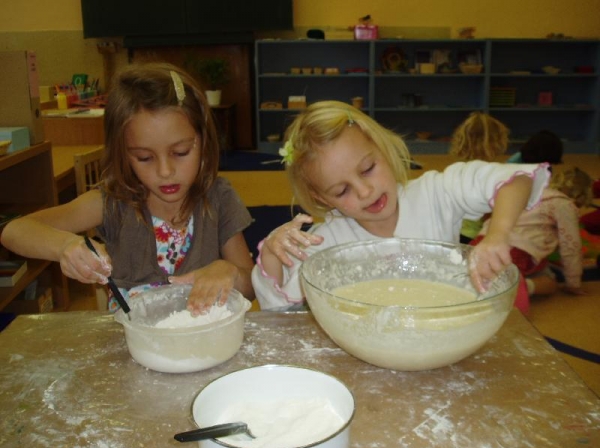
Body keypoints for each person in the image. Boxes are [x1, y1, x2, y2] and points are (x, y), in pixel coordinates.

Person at [0, 62, 255, 315]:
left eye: (181, 152)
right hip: (130, 339)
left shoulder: (218, 198)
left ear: (204, 141)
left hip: (201, 337)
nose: (165, 171)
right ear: (123, 153)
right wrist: (64, 245)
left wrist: (229, 272)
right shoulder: (113, 202)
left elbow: (251, 288)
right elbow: (14, 230)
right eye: (144, 157)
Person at [251, 101, 551, 311]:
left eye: (368, 168)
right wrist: (272, 253)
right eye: (342, 191)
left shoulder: (436, 193)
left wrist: (497, 235)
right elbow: (278, 307)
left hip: (443, 330)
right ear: (322, 199)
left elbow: (516, 179)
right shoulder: (325, 241)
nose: (365, 191)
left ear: (382, 147)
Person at [472, 167, 592, 297]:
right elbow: (571, 247)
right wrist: (573, 283)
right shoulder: (565, 205)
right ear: (581, 196)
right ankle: (516, 287)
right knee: (549, 282)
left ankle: (492, 282)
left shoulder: (528, 192)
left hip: (480, 243)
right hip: (514, 253)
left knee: (476, 272)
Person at [448, 111, 511, 242]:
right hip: (477, 235)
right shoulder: (493, 174)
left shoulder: (455, 170)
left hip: (454, 232)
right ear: (498, 142)